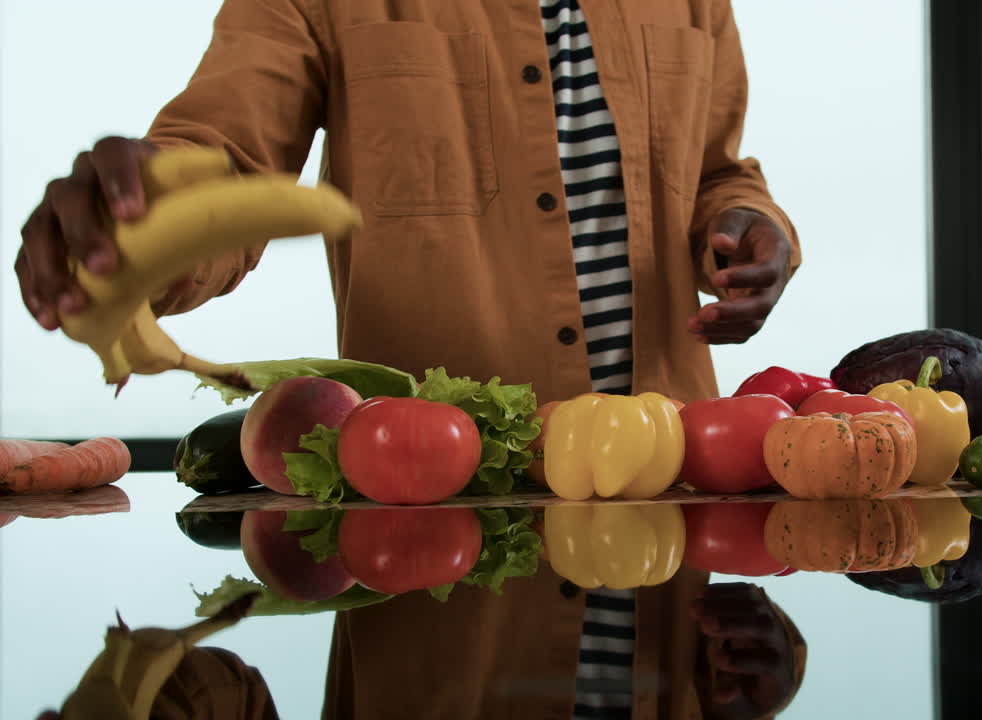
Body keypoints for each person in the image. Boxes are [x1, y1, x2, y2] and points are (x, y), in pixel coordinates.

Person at [17, 1, 805, 718]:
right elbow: (225, 157)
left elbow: (715, 169)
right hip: (431, 544)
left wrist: (746, 220)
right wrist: (136, 228)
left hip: (665, 517)